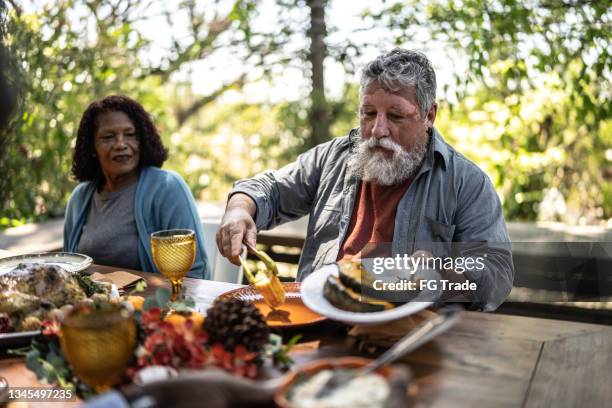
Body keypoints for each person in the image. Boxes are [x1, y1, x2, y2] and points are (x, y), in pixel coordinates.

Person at [217, 49, 513, 310]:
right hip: (321, 319)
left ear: (429, 115)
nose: (377, 130)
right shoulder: (333, 157)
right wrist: (239, 209)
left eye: (395, 116)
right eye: (369, 113)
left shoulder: (465, 182)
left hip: (410, 336)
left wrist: (445, 271)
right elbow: (268, 190)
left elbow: (497, 275)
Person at [63, 95, 210, 279]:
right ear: (92, 147)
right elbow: (68, 269)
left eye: (130, 135)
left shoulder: (167, 187)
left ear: (142, 139)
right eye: (108, 137)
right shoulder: (79, 198)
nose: (121, 144)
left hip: (153, 304)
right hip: (93, 305)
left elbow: (195, 273)